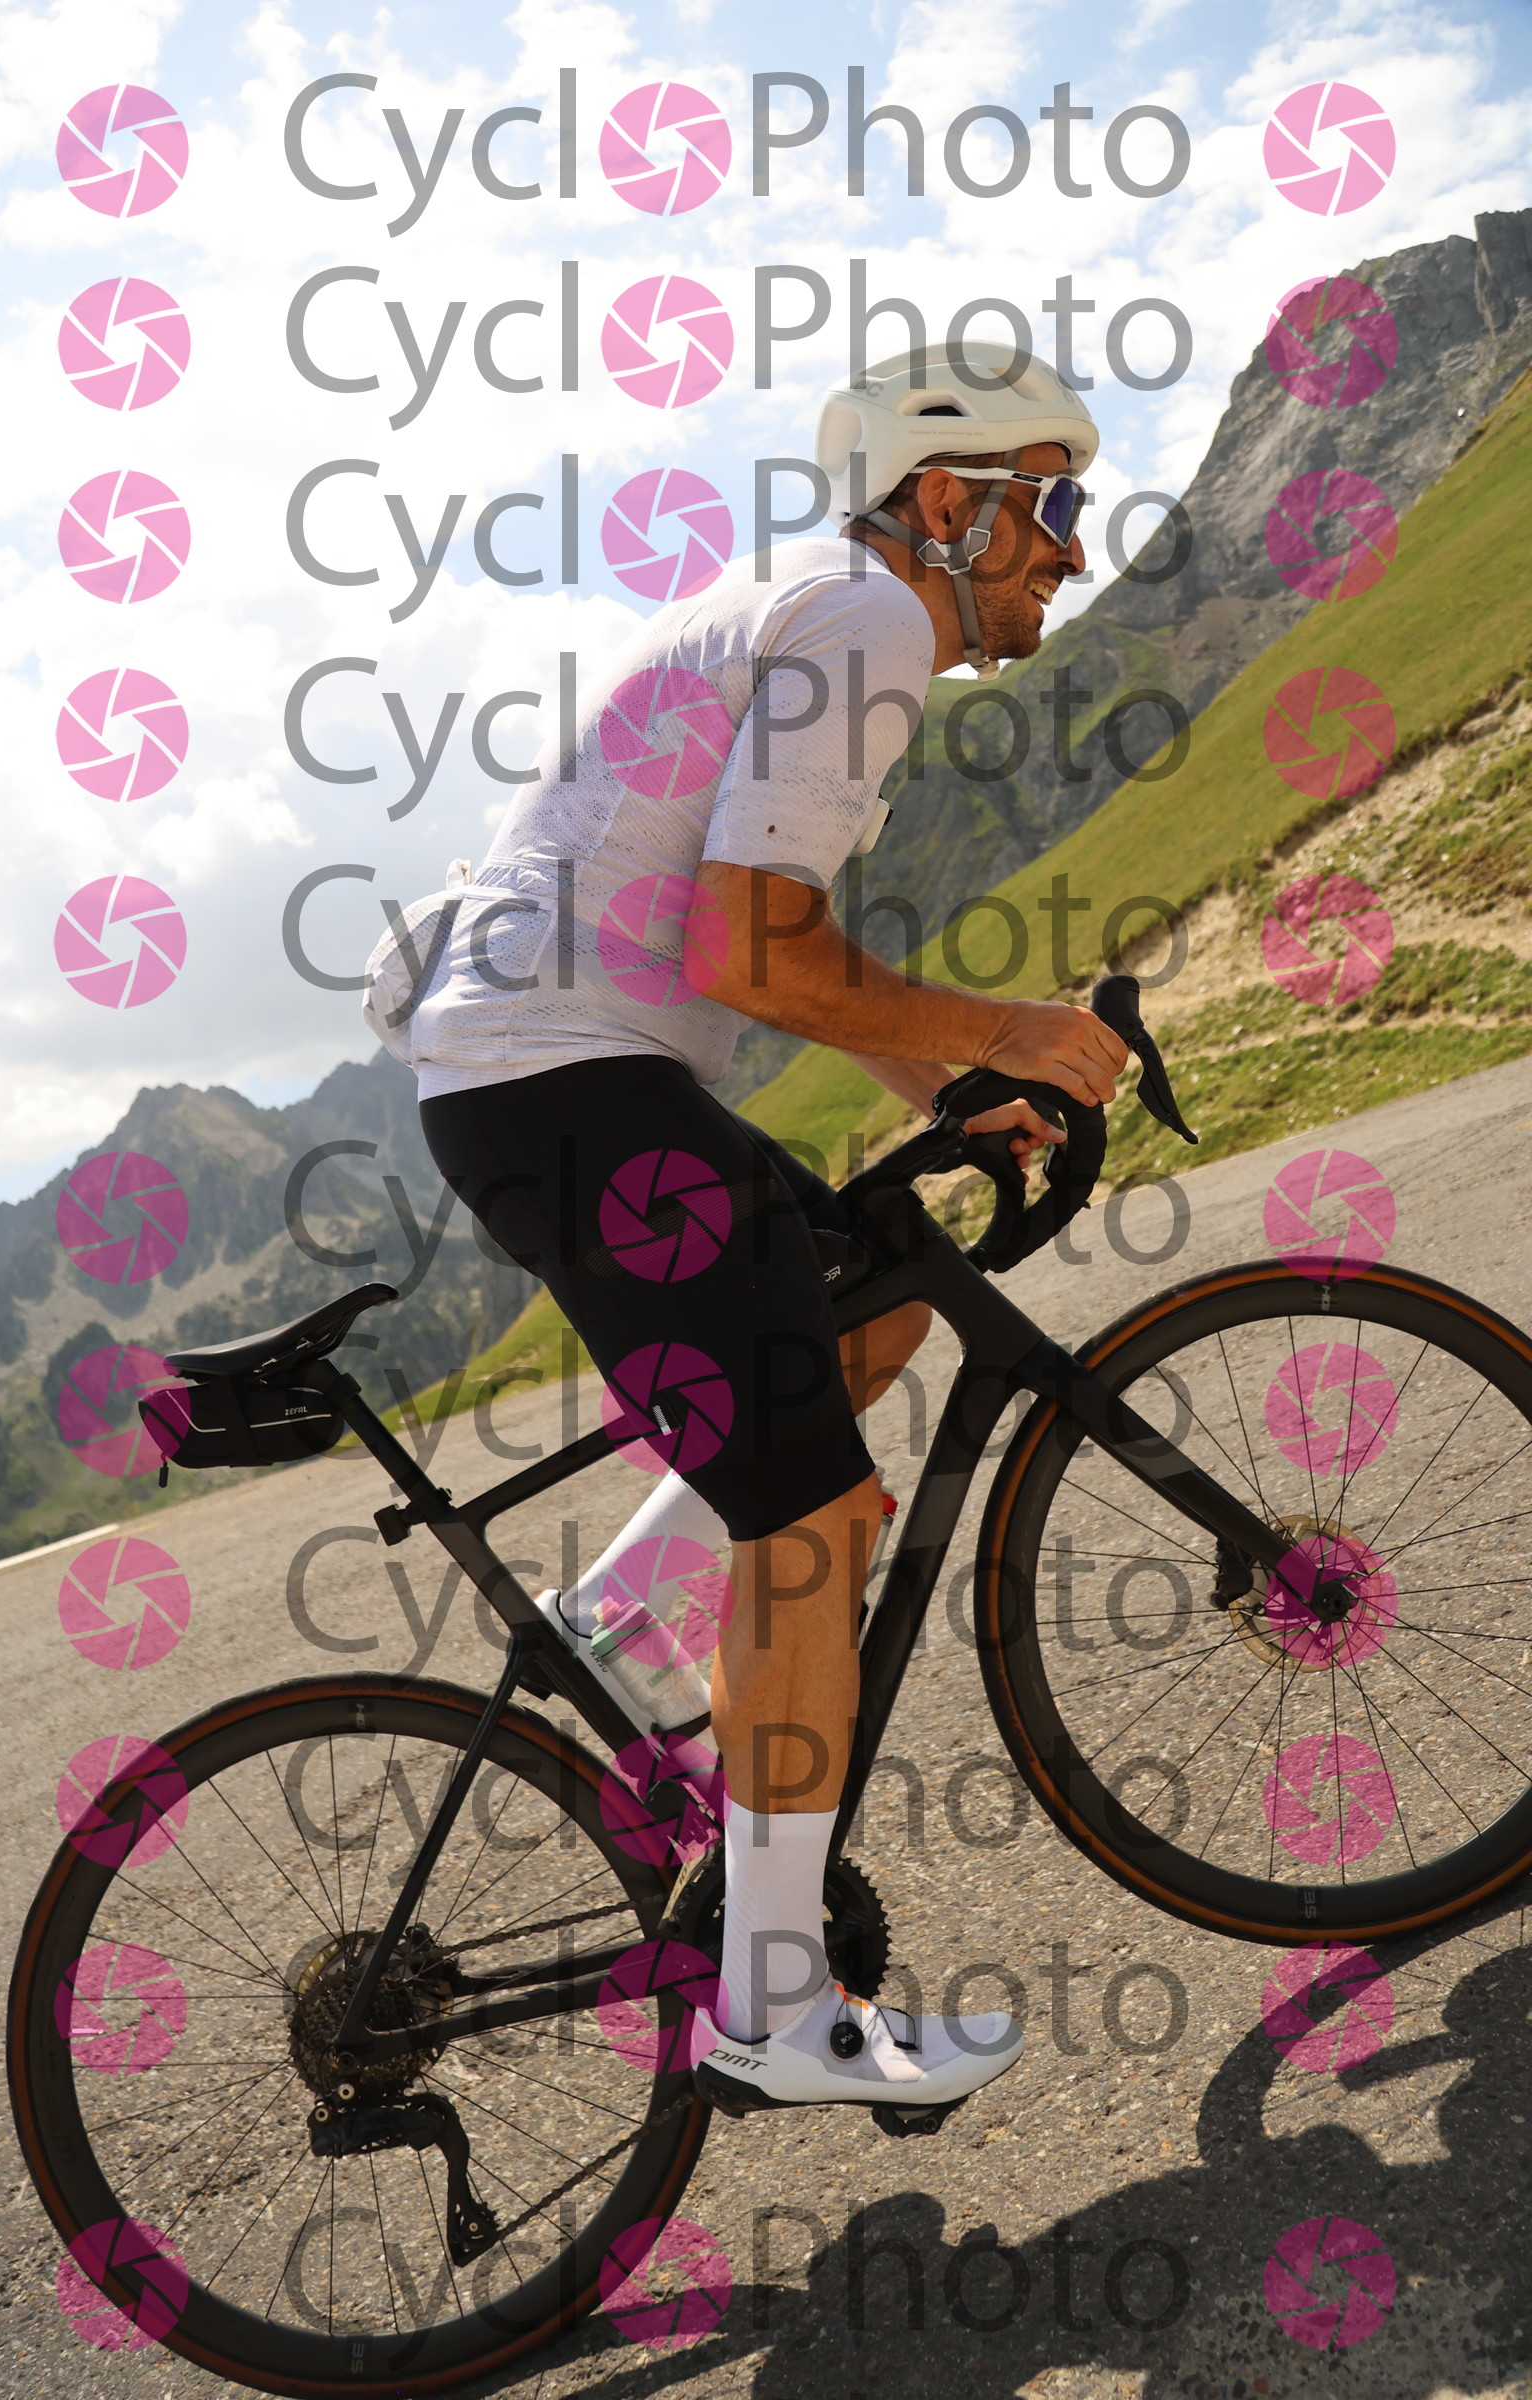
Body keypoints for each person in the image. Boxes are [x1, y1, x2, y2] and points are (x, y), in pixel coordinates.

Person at [383, 340, 1127, 2117]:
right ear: (946, 500)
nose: (1071, 550)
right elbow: (750, 950)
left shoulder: (814, 610)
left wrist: (945, 1083)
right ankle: (775, 2006)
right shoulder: (864, 621)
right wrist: (1014, 1032)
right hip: (564, 1082)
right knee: (814, 1525)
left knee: (878, 1293)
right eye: (1052, 505)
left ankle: (619, 1621)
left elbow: (751, 953)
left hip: (561, 1074)